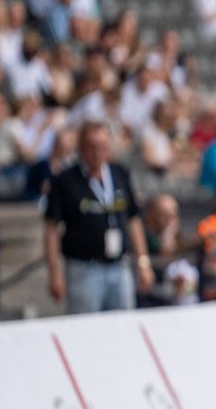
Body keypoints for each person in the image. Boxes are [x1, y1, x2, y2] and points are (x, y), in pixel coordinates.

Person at [43, 120, 151, 313]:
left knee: (122, 327)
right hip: (84, 268)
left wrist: (142, 261)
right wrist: (55, 273)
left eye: (103, 146)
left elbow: (133, 219)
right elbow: (51, 228)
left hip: (119, 265)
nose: (97, 152)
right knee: (86, 327)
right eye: (91, 146)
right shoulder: (65, 180)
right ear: (81, 148)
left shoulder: (119, 174)